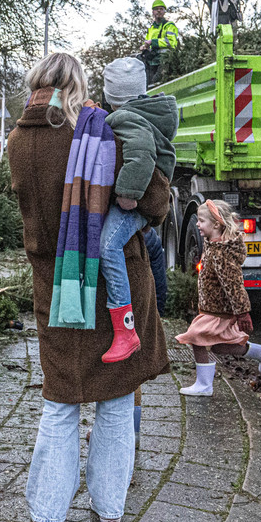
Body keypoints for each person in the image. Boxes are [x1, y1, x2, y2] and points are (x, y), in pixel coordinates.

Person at [7, 52, 171, 522]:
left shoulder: (17, 141)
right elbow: (156, 201)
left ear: (36, 85)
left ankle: (46, 513)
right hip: (114, 288)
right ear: (77, 86)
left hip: (56, 289)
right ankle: (109, 507)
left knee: (60, 401)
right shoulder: (99, 135)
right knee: (116, 398)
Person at [96, 56, 178, 363]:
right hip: (152, 197)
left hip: (139, 201)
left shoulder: (125, 118)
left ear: (112, 95)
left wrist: (127, 195)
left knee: (108, 245)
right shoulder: (147, 113)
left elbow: (141, 154)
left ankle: (125, 330)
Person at [175, 200, 261, 396]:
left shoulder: (222, 253)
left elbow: (234, 285)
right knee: (219, 347)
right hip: (212, 308)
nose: (197, 224)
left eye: (201, 221)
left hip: (219, 310)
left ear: (216, 224)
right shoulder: (212, 245)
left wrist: (243, 313)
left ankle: (204, 385)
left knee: (196, 338)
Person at [140, 0, 180, 84]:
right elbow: (148, 43)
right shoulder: (151, 29)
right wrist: (144, 47)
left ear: (164, 12)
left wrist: (153, 42)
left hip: (165, 61)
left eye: (161, 9)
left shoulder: (169, 26)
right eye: (156, 9)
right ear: (153, 12)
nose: (158, 11)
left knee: (157, 83)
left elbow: (171, 42)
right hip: (153, 62)